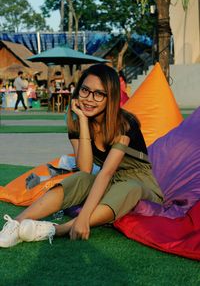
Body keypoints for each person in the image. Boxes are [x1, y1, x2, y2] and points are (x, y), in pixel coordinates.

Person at [0, 64, 164, 248]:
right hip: (111, 182)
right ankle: (16, 223)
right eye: (85, 90)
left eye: (99, 94)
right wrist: (84, 122)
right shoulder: (76, 120)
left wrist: (83, 217)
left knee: (129, 187)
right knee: (80, 178)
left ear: (111, 98)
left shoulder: (124, 123)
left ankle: (54, 229)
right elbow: (85, 168)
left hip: (140, 183)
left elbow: (106, 172)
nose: (89, 99)